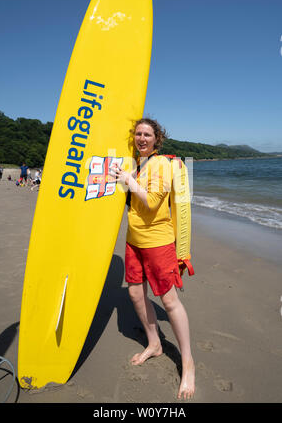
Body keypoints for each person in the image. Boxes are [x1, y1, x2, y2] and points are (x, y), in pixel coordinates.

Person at [110, 118, 195, 400]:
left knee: (169, 301)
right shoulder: (134, 164)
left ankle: (188, 364)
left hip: (159, 242)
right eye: (138, 133)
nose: (142, 138)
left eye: (147, 134)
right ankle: (155, 344)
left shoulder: (161, 164)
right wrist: (117, 175)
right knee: (135, 295)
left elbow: (152, 200)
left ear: (156, 139)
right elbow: (127, 197)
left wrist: (127, 179)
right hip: (134, 240)